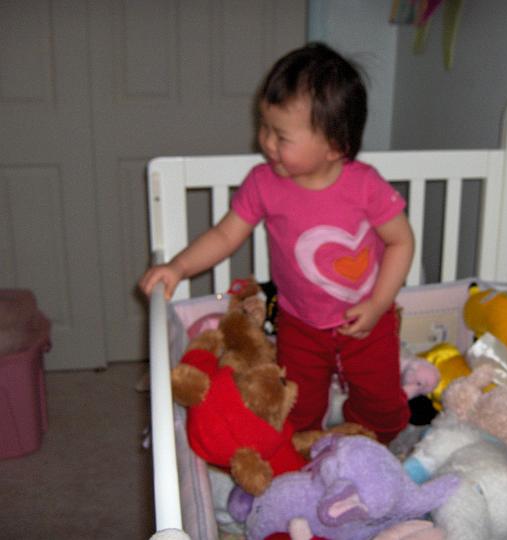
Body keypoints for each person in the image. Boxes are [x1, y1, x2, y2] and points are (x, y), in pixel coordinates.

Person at [139, 42, 414, 444]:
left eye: (281, 136)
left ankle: (371, 447)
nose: (266, 142)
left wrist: (378, 303)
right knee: (295, 409)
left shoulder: (365, 186)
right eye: (264, 126)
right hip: (300, 324)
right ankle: (308, 455)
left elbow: (400, 242)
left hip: (367, 324)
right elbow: (225, 235)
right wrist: (178, 267)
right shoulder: (263, 184)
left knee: (382, 406)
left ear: (335, 146)